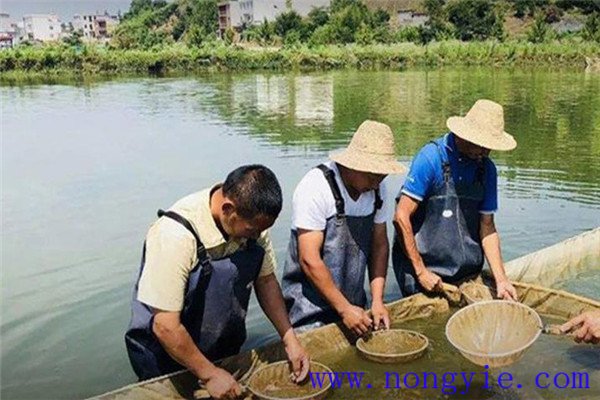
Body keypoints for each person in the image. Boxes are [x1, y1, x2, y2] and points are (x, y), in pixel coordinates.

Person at [125, 165, 309, 400]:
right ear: (228, 209)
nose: (256, 237)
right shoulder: (175, 235)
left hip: (220, 350)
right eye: (252, 230)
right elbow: (165, 326)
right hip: (166, 357)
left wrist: (290, 340)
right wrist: (209, 374)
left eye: (261, 231)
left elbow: (266, 282)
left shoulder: (254, 224)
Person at [282, 120, 406, 335]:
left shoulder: (378, 190)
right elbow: (309, 259)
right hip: (309, 311)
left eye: (382, 176)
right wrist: (344, 309)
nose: (377, 183)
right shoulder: (315, 187)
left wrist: (377, 300)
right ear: (352, 164)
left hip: (354, 303)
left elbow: (379, 245)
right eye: (371, 176)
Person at [393, 99, 518, 300]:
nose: (486, 152)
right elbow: (401, 216)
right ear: (465, 135)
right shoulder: (431, 158)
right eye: (483, 145)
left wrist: (501, 280)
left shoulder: (487, 169)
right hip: (424, 270)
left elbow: (487, 227)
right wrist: (421, 271)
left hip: (466, 272)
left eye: (490, 147)